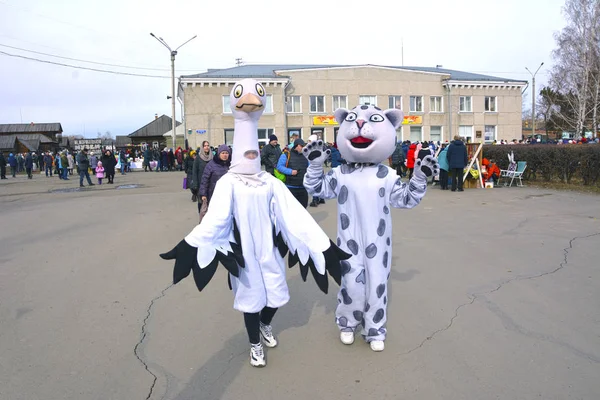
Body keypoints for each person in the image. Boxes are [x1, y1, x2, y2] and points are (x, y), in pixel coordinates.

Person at [160, 79, 349, 368]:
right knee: (250, 299)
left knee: (275, 297)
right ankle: (254, 344)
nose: (250, 155)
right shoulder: (229, 183)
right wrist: (193, 244)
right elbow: (216, 220)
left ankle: (265, 324)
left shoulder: (269, 182)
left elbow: (295, 216)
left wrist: (320, 245)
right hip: (245, 253)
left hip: (269, 251)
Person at [303, 104, 438, 352]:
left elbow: (406, 199)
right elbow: (317, 188)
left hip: (379, 243)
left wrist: (418, 178)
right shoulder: (340, 173)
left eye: (373, 120)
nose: (361, 125)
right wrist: (314, 166)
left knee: (377, 284)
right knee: (351, 283)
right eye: (353, 120)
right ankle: (347, 323)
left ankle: (375, 329)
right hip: (348, 241)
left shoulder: (387, 175)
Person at [199, 144, 231, 223]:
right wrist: (203, 194)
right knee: (215, 215)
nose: (225, 155)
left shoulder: (231, 164)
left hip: (228, 195)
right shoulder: (211, 165)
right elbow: (204, 180)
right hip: (213, 194)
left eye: (226, 153)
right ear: (219, 154)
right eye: (222, 153)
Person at [276, 138, 309, 207]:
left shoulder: (306, 155)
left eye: (304, 146)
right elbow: (279, 166)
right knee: (291, 210)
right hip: (290, 187)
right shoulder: (286, 155)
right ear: (296, 146)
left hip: (303, 187)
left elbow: (310, 167)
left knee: (303, 210)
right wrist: (290, 171)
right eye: (301, 146)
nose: (303, 148)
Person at [192, 141, 211, 209]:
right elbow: (194, 171)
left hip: (210, 184)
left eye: (208, 145)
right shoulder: (198, 158)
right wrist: (195, 184)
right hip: (201, 184)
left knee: (210, 204)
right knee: (201, 204)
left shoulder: (212, 157)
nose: (206, 147)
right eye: (205, 146)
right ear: (202, 147)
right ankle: (201, 218)